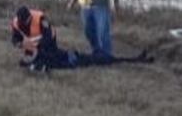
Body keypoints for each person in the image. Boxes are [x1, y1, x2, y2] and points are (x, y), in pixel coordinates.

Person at [10, 6, 152, 71]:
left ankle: (132, 59)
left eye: (28, 20)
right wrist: (20, 45)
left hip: (49, 45)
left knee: (94, 59)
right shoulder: (16, 24)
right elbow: (15, 40)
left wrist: (35, 49)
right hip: (52, 54)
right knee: (93, 60)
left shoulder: (40, 19)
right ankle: (133, 59)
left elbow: (47, 37)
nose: (28, 23)